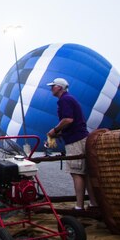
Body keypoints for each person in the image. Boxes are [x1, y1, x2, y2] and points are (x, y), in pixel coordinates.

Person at [46, 78, 98, 210]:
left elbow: (68, 120)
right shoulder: (69, 99)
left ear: (59, 87)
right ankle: (93, 204)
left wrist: (54, 130)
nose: (50, 88)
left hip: (76, 140)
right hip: (81, 137)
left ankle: (79, 207)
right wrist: (59, 134)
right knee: (85, 173)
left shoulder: (65, 100)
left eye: (53, 86)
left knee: (77, 173)